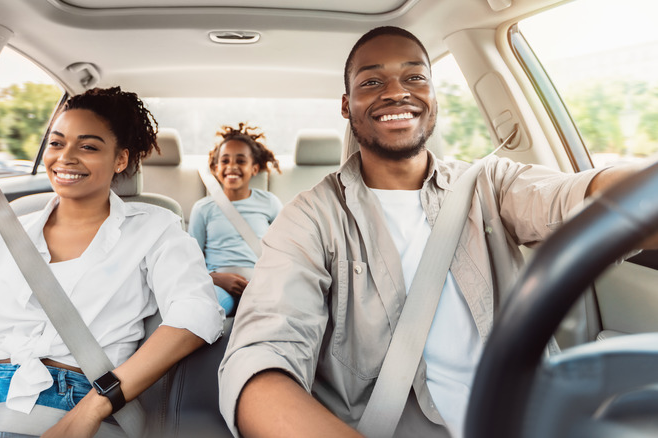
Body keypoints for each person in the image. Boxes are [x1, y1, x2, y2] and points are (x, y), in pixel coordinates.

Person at [218, 26, 654, 438]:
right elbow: (261, 361)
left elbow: (577, 196)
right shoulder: (309, 218)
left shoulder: (491, 183)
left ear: (432, 96)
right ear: (346, 105)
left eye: (415, 77)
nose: (396, 91)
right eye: (371, 82)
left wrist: (640, 190)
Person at [0, 87, 224, 438]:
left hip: (85, 402)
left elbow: (197, 312)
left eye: (89, 146)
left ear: (120, 160)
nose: (66, 157)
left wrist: (90, 410)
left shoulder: (155, 229)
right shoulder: (1, 236)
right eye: (56, 143)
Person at [187, 123, 283, 316]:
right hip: (218, 284)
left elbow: (285, 251)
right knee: (206, 310)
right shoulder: (203, 208)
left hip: (260, 284)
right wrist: (215, 279)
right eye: (225, 161)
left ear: (254, 168)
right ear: (215, 168)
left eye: (240, 161)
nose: (232, 166)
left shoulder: (270, 203)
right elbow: (190, 262)